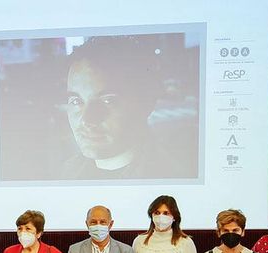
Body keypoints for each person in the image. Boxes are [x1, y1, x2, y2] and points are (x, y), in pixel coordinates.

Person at [58, 35, 197, 180]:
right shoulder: (64, 173)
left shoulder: (174, 175)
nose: (87, 119)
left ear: (146, 104)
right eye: (76, 101)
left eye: (108, 100)